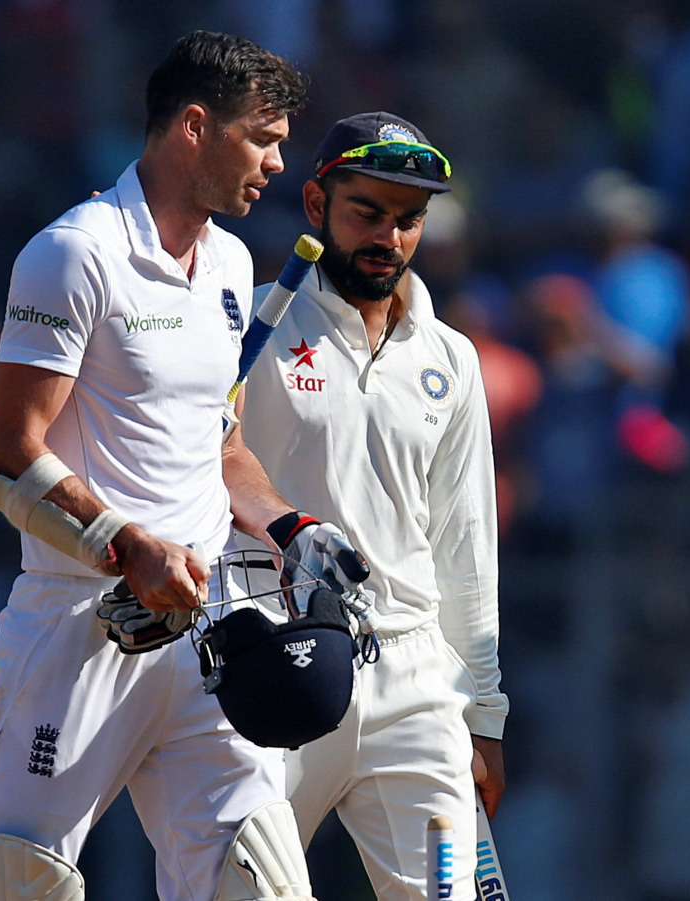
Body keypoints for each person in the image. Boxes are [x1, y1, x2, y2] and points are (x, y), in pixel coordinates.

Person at [0, 31, 367, 901]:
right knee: (15, 882)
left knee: (263, 884)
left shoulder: (234, 264)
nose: (280, 163)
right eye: (264, 137)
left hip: (213, 626)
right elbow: (10, 451)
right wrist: (131, 545)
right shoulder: (73, 252)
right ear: (196, 127)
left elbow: (220, 443)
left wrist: (294, 527)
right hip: (83, 627)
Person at [238, 112, 509, 900]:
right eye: (368, 213)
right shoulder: (250, 323)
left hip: (415, 684)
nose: (389, 237)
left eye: (409, 220)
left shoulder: (450, 357)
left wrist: (482, 714)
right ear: (317, 203)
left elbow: (465, 541)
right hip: (277, 664)